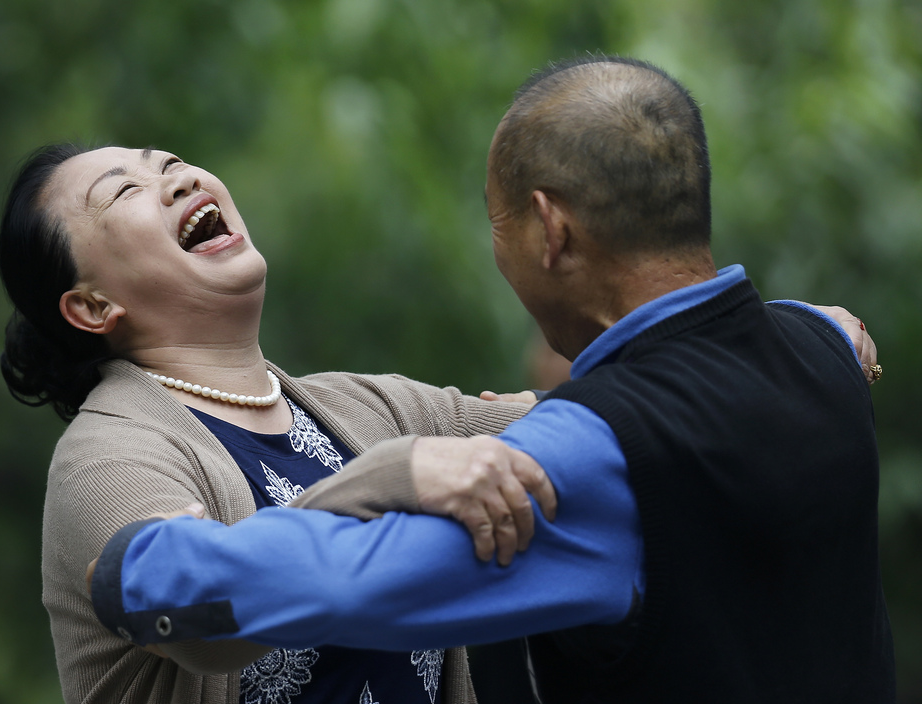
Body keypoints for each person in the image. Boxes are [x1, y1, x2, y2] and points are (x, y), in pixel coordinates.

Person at [87, 56, 894, 703]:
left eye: (496, 220)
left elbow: (343, 580)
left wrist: (139, 572)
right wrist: (816, 321)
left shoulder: (582, 456)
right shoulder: (824, 347)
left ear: (551, 230)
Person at [0, 143, 570, 704]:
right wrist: (393, 480)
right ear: (93, 308)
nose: (180, 180)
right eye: (125, 190)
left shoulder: (370, 409)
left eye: (171, 163)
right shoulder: (106, 457)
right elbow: (195, 608)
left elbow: (592, 427)